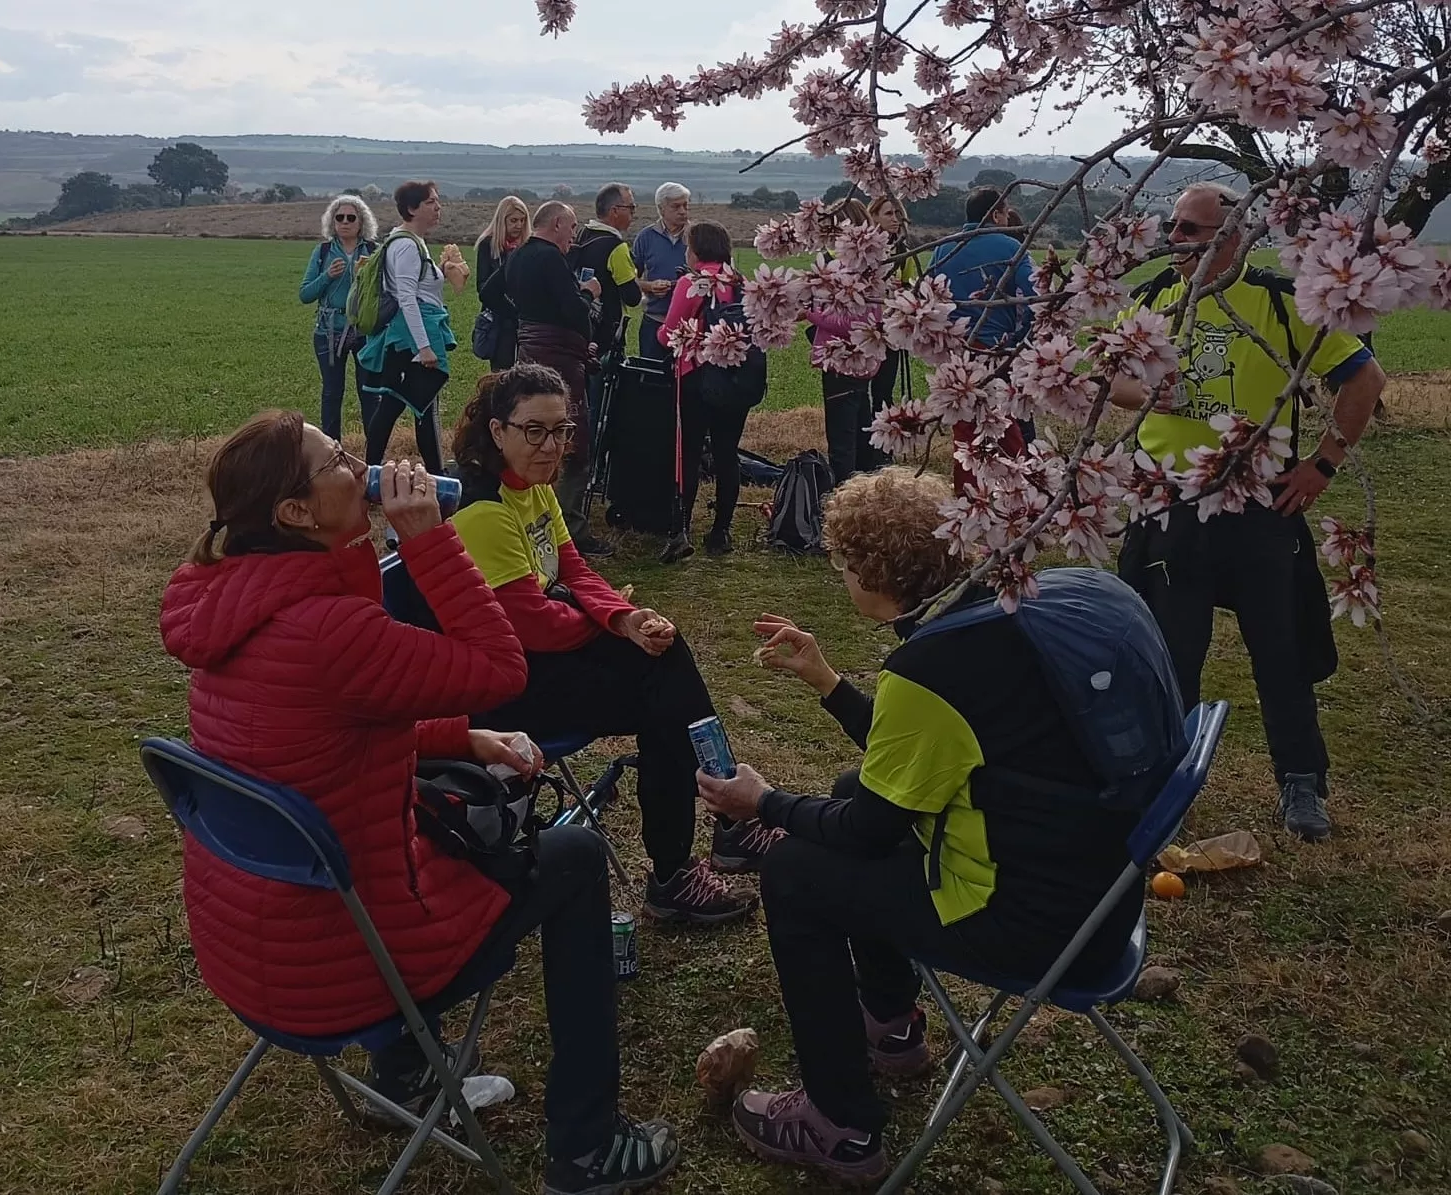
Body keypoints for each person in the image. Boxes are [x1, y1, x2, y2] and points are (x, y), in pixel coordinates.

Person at [159, 409, 680, 1195]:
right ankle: (587, 1145)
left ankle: (405, 1072)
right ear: (296, 512)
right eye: (338, 460)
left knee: (427, 805)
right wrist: (429, 540)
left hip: (254, 950)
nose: (362, 467)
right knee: (572, 856)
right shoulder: (329, 628)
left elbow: (332, 724)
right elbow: (499, 667)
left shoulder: (237, 602)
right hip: (347, 965)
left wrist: (462, 738)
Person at [692, 467, 1160, 1183]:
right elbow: (931, 753)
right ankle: (891, 1025)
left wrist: (765, 803)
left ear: (876, 575)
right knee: (851, 786)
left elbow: (869, 831)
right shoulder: (1000, 614)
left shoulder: (931, 666)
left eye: (844, 566)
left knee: (792, 870)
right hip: (1095, 894)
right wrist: (827, 681)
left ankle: (840, 1126)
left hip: (1035, 926)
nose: (841, 578)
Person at [1111, 182, 1385, 843]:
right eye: (1171, 226)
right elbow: (1109, 376)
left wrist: (1322, 464)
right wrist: (1145, 394)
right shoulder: (1154, 300)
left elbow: (1365, 379)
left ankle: (1301, 780)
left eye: (1189, 229)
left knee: (1280, 649)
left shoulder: (1282, 301)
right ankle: (1165, 784)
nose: (1173, 239)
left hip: (1259, 504)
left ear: (1233, 236)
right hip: (1169, 504)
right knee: (1169, 653)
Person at [449, 364, 771, 923]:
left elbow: (574, 569)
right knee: (661, 698)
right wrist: (614, 625)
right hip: (507, 688)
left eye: (562, 430)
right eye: (534, 430)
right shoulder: (484, 511)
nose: (551, 446)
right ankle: (702, 846)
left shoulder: (533, 485)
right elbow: (532, 624)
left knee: (663, 660)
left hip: (546, 658)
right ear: (498, 431)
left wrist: (626, 617)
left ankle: (706, 845)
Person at [504, 202, 610, 556]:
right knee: (572, 440)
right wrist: (589, 291)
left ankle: (528, 519)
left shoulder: (518, 255)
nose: (574, 234)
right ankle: (571, 529)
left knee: (531, 434)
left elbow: (490, 292)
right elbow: (575, 310)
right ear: (558, 224)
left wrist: (526, 320)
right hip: (561, 362)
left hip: (528, 354)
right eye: (573, 226)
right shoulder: (551, 258)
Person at [658, 220, 765, 561]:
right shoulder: (741, 283)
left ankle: (681, 529)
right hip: (736, 379)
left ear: (696, 250)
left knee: (688, 454)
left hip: (696, 379)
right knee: (726, 453)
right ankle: (721, 531)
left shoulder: (691, 283)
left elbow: (668, 334)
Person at [359, 179, 470, 475]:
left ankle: (371, 473)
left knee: (398, 406)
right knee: (418, 407)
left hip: (408, 337)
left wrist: (443, 271)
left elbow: (417, 289)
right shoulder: (407, 246)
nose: (438, 207)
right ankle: (434, 477)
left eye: (437, 201)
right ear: (411, 208)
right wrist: (424, 347)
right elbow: (407, 298)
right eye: (430, 202)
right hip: (411, 340)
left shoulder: (410, 242)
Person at [927, 186, 1035, 489]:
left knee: (964, 430)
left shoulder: (943, 248)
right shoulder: (1011, 247)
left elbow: (929, 298)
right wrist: (1021, 336)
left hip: (955, 348)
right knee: (1004, 425)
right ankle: (1016, 493)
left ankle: (969, 497)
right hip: (996, 348)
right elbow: (1034, 296)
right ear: (997, 215)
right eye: (1005, 212)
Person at [807, 197, 887, 484]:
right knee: (861, 433)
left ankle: (844, 495)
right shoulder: (873, 267)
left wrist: (809, 312)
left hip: (841, 362)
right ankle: (863, 491)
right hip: (863, 363)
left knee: (842, 439)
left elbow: (848, 323)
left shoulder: (846, 270)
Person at [299, 194, 379, 440]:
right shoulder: (323, 251)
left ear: (361, 222)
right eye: (339, 217)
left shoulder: (374, 251)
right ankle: (332, 449)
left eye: (351, 218)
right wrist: (327, 276)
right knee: (332, 393)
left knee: (370, 393)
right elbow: (305, 294)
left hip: (365, 331)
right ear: (332, 222)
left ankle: (374, 451)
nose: (345, 222)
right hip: (329, 331)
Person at [571, 183, 644, 363]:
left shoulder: (583, 234)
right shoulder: (616, 247)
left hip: (581, 328)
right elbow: (632, 297)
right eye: (631, 207)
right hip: (606, 335)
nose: (633, 214)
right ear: (614, 211)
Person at [867, 194, 921, 433]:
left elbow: (910, 286)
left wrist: (904, 291)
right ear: (873, 216)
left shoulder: (902, 251)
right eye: (889, 214)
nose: (895, 219)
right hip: (865, 329)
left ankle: (882, 439)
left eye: (898, 214)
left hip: (891, 329)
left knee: (884, 389)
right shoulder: (863, 249)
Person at [632, 182, 691, 361]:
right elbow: (630, 279)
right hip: (654, 322)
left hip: (690, 326)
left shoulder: (697, 236)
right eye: (676, 206)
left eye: (685, 205)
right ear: (661, 209)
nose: (683, 211)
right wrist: (649, 286)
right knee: (651, 375)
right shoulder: (645, 237)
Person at [474, 195, 531, 371]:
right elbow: (482, 285)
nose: (519, 225)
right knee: (501, 373)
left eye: (522, 220)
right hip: (499, 319)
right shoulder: (488, 245)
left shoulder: (528, 246)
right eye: (513, 220)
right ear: (502, 220)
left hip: (525, 320)